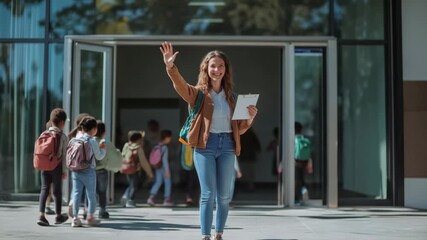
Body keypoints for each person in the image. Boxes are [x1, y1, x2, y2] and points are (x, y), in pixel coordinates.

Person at [160, 41, 258, 240]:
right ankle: (205, 235)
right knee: (208, 193)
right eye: (213, 65)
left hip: (227, 146)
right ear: (206, 68)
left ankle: (218, 234)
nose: (217, 69)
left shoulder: (232, 97)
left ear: (225, 70)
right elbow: (180, 86)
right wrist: (170, 66)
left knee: (223, 195)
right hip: (205, 146)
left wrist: (249, 119)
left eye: (221, 66)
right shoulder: (198, 94)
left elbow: (239, 129)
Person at [69, 116, 106, 227]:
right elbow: (99, 156)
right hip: (88, 171)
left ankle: (75, 218)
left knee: (76, 194)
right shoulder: (92, 141)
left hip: (75, 170)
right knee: (91, 195)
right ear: (94, 129)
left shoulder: (74, 140)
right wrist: (103, 148)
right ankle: (90, 217)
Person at [36, 108, 69, 226]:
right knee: (57, 191)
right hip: (57, 167)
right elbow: (64, 156)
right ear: (62, 123)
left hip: (44, 166)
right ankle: (58, 216)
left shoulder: (43, 134)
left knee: (44, 189)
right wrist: (65, 171)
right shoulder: (63, 137)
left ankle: (41, 215)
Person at [94, 120, 122, 219]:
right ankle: (102, 210)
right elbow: (114, 156)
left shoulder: (88, 141)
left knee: (90, 191)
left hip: (90, 171)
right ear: (104, 132)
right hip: (102, 171)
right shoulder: (106, 143)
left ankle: (88, 211)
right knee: (102, 192)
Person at [121, 130, 154, 207]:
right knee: (134, 185)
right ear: (138, 139)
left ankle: (125, 196)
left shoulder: (126, 145)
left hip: (126, 168)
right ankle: (130, 201)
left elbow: (122, 155)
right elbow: (144, 162)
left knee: (130, 184)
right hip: (134, 169)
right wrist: (150, 173)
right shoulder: (138, 148)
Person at [147, 129, 174, 207]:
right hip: (163, 168)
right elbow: (165, 160)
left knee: (158, 181)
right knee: (168, 182)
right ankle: (167, 199)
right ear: (167, 138)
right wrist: (167, 171)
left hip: (157, 166)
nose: (170, 139)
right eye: (170, 138)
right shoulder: (165, 147)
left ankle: (151, 197)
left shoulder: (157, 146)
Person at [294, 121, 313, 204]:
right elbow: (309, 154)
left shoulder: (293, 139)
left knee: (297, 181)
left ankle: (296, 198)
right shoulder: (304, 139)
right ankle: (304, 190)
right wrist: (309, 165)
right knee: (301, 179)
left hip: (296, 161)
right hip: (305, 161)